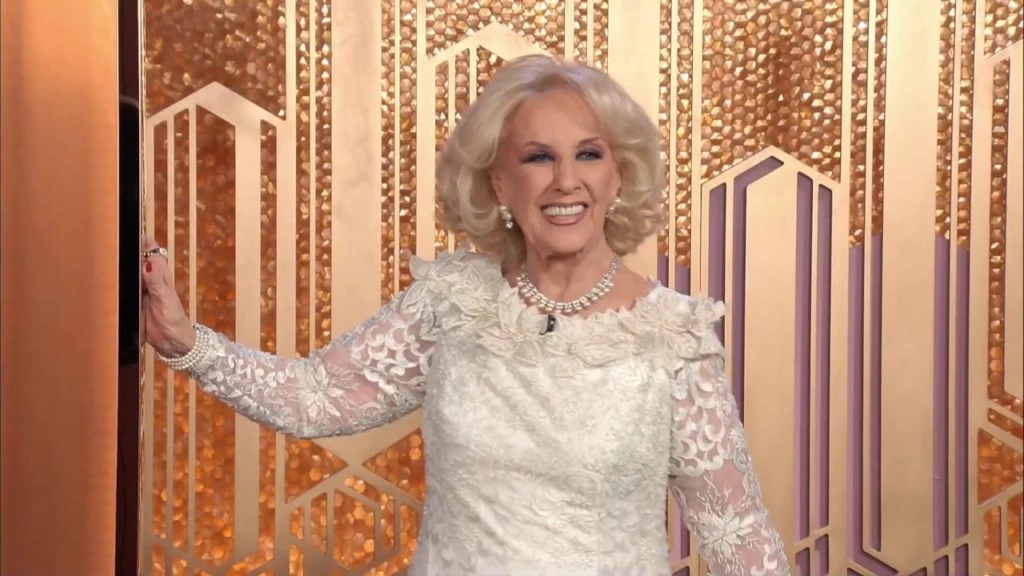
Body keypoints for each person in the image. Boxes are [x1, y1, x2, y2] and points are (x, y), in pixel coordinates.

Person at [142, 54, 789, 575]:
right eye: (539, 157)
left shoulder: (672, 337)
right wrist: (186, 342)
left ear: (618, 177)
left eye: (589, 154)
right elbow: (316, 398)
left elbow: (738, 536)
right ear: (499, 182)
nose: (566, 181)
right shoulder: (453, 304)